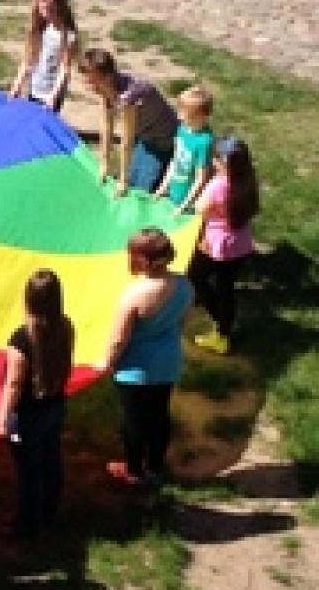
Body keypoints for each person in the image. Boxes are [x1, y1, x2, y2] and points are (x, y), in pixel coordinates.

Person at [102, 228, 193, 486]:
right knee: (159, 415)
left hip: (136, 369)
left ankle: (134, 472)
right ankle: (154, 467)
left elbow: (119, 338)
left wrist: (108, 363)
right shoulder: (185, 285)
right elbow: (182, 322)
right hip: (169, 362)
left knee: (134, 423)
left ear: (141, 260)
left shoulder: (134, 295)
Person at [0, 270, 74, 538]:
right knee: (51, 460)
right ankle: (50, 512)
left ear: (28, 299)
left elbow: (14, 384)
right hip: (55, 405)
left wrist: (2, 418)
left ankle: (28, 526)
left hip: (28, 415)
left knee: (29, 471)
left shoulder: (22, 339)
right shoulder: (65, 327)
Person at [188, 137, 260, 354]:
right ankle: (226, 325)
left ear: (224, 164)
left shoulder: (218, 185)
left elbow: (199, 209)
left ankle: (222, 330)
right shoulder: (247, 180)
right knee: (227, 286)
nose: (213, 161)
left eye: (216, 158)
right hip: (240, 243)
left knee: (196, 277)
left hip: (216, 245)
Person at [77, 48, 179, 196]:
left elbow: (126, 141)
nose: (88, 85)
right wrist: (104, 162)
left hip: (164, 141)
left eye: (92, 81)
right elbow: (106, 125)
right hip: (145, 137)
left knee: (140, 190)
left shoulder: (129, 96)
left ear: (107, 77)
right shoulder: (105, 88)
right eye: (86, 79)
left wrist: (123, 181)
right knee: (132, 180)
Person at [8, 0, 78, 112]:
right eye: (42, 9)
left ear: (59, 8)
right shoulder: (39, 30)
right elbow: (28, 60)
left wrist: (54, 96)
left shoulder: (68, 36)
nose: (45, 14)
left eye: (49, 10)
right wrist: (17, 86)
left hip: (51, 93)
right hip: (33, 88)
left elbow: (65, 69)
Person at [154, 86, 214, 216]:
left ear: (200, 116)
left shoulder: (204, 142)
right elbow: (175, 161)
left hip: (189, 201)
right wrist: (163, 187)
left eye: (184, 113)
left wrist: (184, 206)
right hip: (174, 192)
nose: (179, 117)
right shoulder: (182, 129)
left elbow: (200, 179)